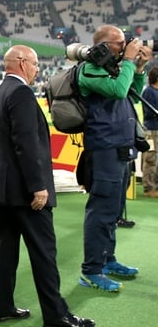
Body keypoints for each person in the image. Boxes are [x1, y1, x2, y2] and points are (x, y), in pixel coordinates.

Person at [0, 45, 94, 327]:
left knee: (4, 249)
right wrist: (38, 186)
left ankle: (1, 307)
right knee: (44, 252)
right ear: (21, 63)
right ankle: (57, 316)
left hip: (4, 189)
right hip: (25, 191)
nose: (36, 69)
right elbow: (27, 144)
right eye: (33, 64)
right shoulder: (20, 93)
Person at [76, 24, 150, 292]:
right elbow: (119, 91)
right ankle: (90, 270)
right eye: (119, 42)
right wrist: (129, 59)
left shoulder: (113, 68)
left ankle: (108, 260)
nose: (125, 45)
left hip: (121, 147)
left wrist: (138, 69)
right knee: (102, 210)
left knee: (114, 211)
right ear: (104, 45)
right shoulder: (90, 69)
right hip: (104, 148)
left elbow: (133, 95)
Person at [141, 66, 158, 198]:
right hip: (152, 130)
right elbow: (149, 111)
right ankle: (149, 188)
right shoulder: (149, 92)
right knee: (151, 159)